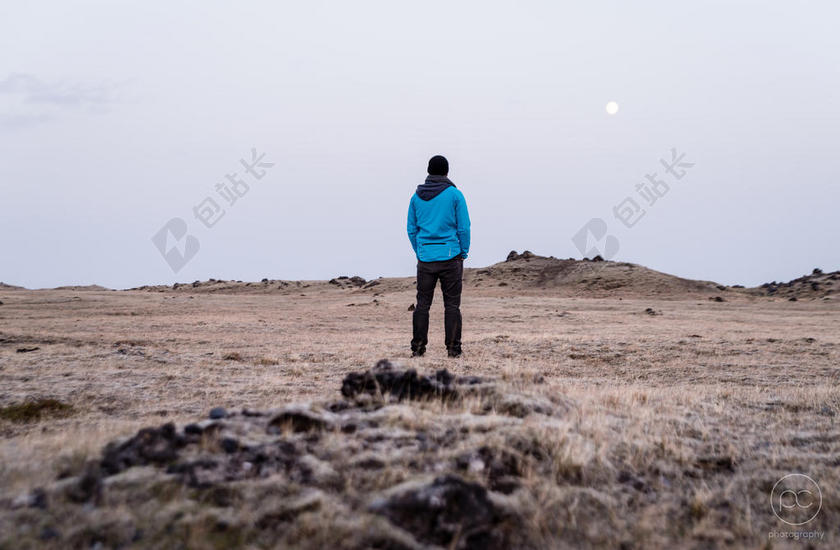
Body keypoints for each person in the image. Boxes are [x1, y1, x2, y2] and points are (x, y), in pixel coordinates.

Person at [406, 155, 471, 358]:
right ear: (446, 172)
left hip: (426, 258)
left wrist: (420, 251)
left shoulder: (416, 197)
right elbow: (464, 228)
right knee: (452, 305)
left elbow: (411, 229)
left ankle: (417, 349)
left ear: (428, 171)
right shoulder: (455, 195)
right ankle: (453, 349)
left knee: (422, 304)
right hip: (451, 256)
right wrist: (464, 251)